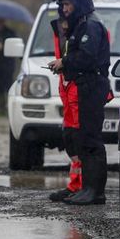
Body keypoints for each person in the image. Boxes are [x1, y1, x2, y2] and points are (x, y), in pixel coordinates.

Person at [47, 0, 110, 205]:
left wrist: (64, 62)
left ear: (78, 4)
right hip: (85, 84)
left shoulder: (90, 25)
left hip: (91, 85)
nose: (64, 10)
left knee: (91, 139)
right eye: (62, 6)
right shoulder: (82, 24)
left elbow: (87, 57)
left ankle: (95, 190)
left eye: (68, 5)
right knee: (82, 138)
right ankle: (86, 188)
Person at [48, 15, 83, 202]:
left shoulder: (87, 29)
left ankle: (82, 185)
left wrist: (65, 63)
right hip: (67, 88)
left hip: (77, 89)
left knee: (79, 138)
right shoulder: (60, 30)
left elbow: (85, 58)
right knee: (70, 138)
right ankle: (75, 184)